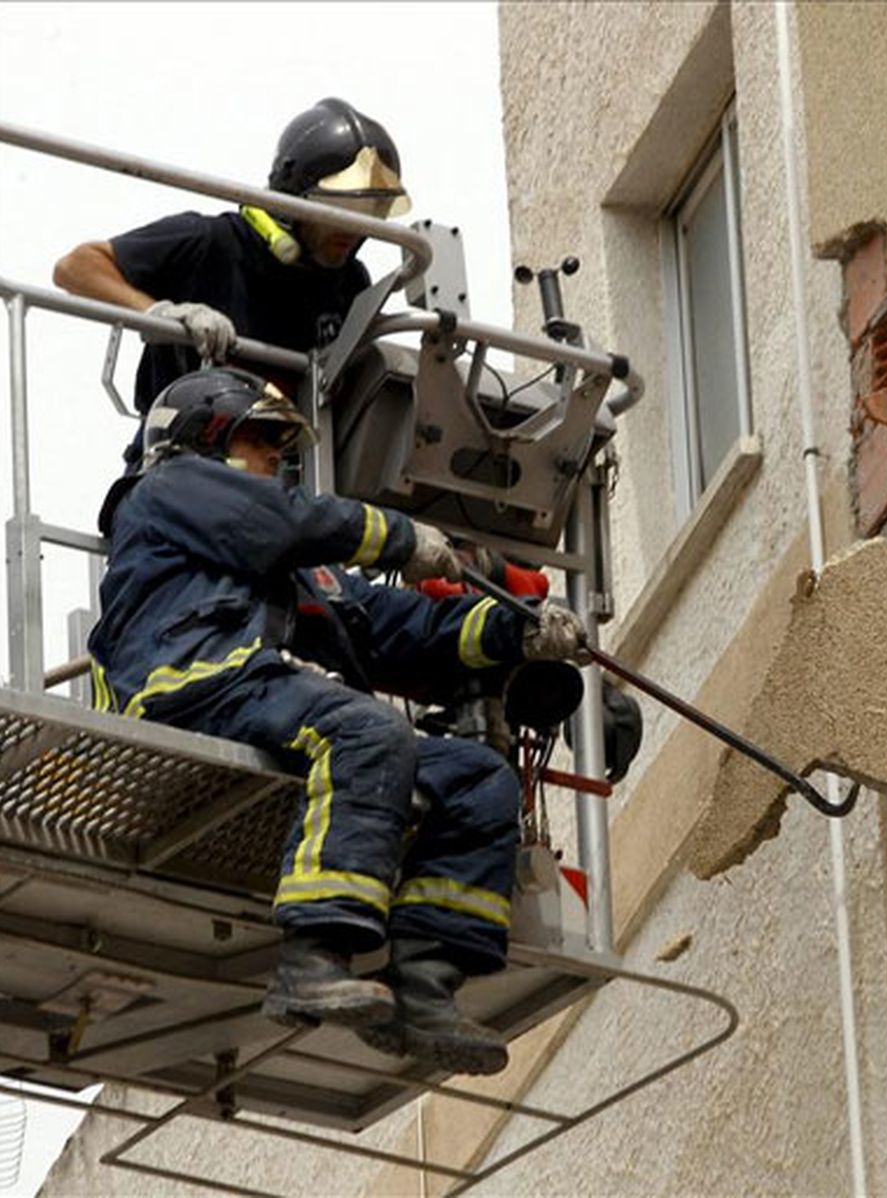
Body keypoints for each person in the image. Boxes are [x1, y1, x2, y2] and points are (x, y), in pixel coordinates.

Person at [88, 366, 587, 1076]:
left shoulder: (298, 573)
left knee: (478, 779)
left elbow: (396, 625)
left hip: (272, 701)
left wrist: (517, 631)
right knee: (369, 731)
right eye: (262, 441)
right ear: (205, 435)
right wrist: (398, 537)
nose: (276, 460)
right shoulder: (165, 492)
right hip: (192, 686)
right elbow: (282, 521)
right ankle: (312, 957)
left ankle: (426, 984)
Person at [53, 97, 406, 468]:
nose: (352, 230)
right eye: (341, 212)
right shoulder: (210, 242)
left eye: (370, 214)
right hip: (187, 457)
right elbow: (76, 267)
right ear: (294, 200)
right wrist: (161, 314)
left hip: (285, 470)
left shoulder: (349, 283)